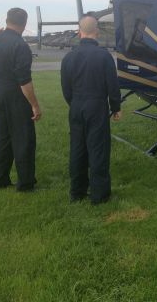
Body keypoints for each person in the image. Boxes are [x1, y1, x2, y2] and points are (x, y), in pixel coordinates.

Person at [61, 15, 121, 205]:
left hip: (77, 106)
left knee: (77, 148)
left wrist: (74, 103)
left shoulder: (68, 57)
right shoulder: (104, 56)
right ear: (96, 32)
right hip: (96, 106)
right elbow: (112, 86)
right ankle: (99, 194)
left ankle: (77, 191)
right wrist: (116, 107)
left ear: (80, 32)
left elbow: (66, 88)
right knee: (98, 148)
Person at [0, 7, 41, 191]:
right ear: (24, 24)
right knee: (23, 138)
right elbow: (24, 80)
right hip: (14, 96)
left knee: (1, 137)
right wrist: (35, 105)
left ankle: (0, 179)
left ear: (6, 20)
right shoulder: (20, 46)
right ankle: (25, 183)